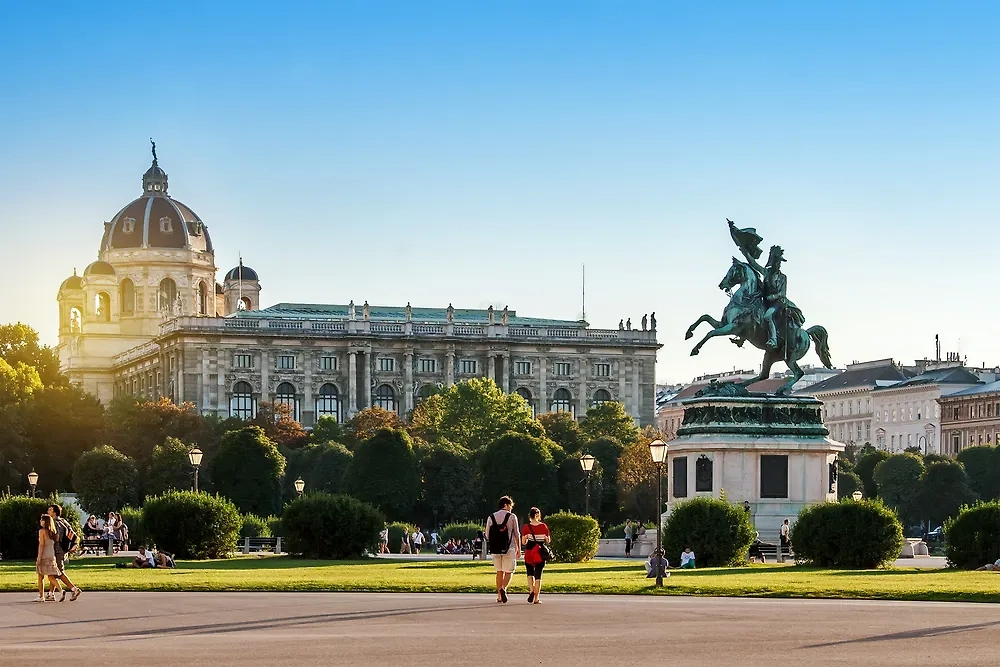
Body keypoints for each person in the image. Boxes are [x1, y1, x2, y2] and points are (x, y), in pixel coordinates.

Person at [486, 496, 521, 604]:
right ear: (506, 505)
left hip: (496, 549)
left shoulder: (491, 517)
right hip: (509, 548)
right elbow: (516, 533)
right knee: (509, 571)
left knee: (499, 572)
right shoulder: (512, 517)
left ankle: (499, 596)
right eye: (510, 505)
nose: (511, 508)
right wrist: (519, 548)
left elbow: (487, 535)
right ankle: (504, 589)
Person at [47, 504, 82, 601]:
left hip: (57, 550)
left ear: (54, 512)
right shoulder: (63, 521)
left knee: (58, 572)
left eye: (50, 510)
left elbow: (56, 537)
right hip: (64, 549)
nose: (48, 511)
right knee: (54, 572)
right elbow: (72, 534)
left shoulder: (53, 522)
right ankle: (51, 594)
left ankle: (74, 589)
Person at [521, 507, 551, 604]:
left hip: (529, 551)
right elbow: (548, 540)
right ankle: (536, 598)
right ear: (538, 515)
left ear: (530, 515)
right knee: (538, 575)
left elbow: (524, 542)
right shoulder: (544, 526)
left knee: (530, 573)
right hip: (539, 552)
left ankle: (531, 590)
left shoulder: (526, 527)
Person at [36, 515, 62, 602]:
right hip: (51, 555)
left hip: (44, 555)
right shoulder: (53, 532)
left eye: (41, 520)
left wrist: (39, 557)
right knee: (51, 576)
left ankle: (41, 596)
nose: (40, 521)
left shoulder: (42, 531)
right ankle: (61, 590)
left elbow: (41, 544)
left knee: (40, 576)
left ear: (45, 522)